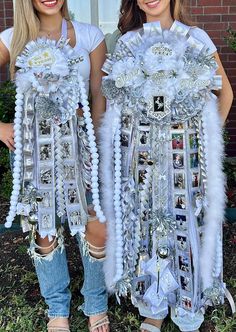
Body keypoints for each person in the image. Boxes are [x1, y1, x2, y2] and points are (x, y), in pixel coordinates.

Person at [100, 1, 233, 332]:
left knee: (186, 226)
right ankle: (153, 305)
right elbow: (114, 101)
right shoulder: (126, 42)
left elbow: (225, 93)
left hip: (183, 164)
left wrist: (204, 144)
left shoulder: (195, 37)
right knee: (146, 228)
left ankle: (189, 306)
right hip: (142, 165)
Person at [0, 1, 109, 331]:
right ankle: (57, 306)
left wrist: (100, 141)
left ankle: (95, 302)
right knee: (44, 229)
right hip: (33, 147)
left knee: (96, 224)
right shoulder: (11, 38)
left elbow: (98, 95)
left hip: (81, 145)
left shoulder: (90, 36)